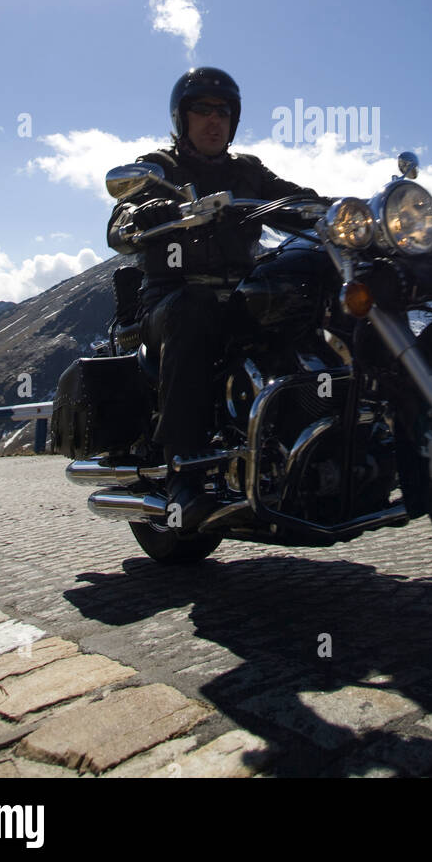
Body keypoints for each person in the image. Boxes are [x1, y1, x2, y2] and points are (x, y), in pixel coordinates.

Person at [107, 67, 329, 527]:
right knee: (196, 311)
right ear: (181, 117)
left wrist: (338, 211)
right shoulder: (160, 168)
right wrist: (143, 213)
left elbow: (296, 200)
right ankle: (184, 470)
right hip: (172, 297)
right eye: (202, 110)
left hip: (242, 293)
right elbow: (119, 223)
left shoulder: (246, 170)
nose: (214, 120)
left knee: (308, 292)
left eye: (223, 111)